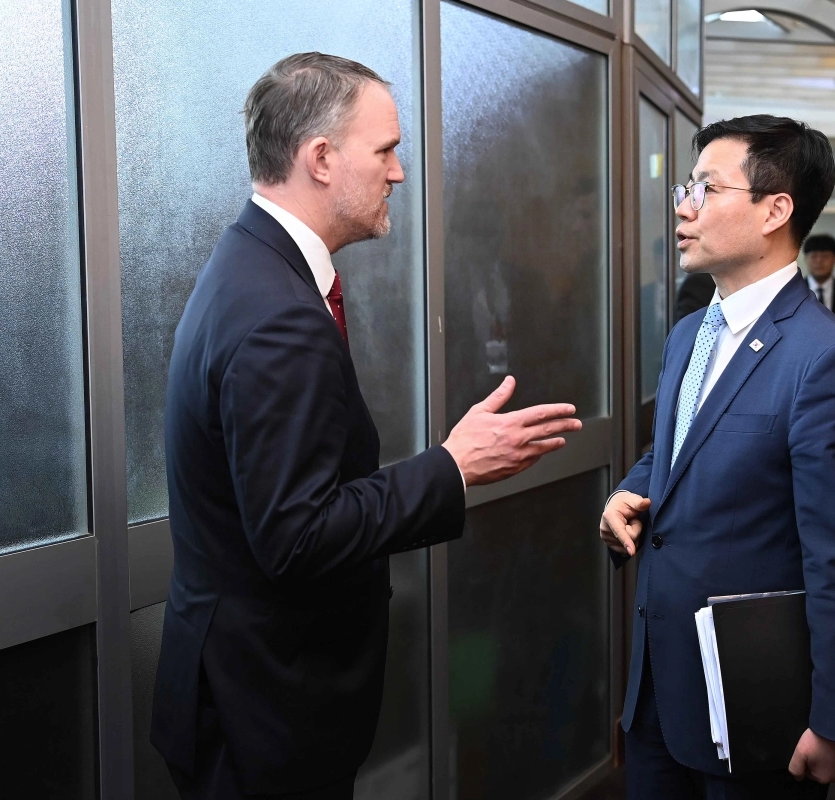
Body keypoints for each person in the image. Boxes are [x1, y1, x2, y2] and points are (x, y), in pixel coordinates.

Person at [151, 53, 582, 800]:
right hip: (263, 711)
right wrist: (453, 466)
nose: (399, 173)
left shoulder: (252, 264)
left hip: (246, 693)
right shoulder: (279, 315)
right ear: (320, 159)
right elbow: (296, 535)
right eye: (385, 151)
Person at [600, 114, 835, 799]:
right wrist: (627, 492)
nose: (684, 207)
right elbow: (676, 449)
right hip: (660, 684)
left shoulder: (827, 358)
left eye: (706, 188)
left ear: (775, 211)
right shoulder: (689, 333)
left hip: (756, 693)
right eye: (686, 188)